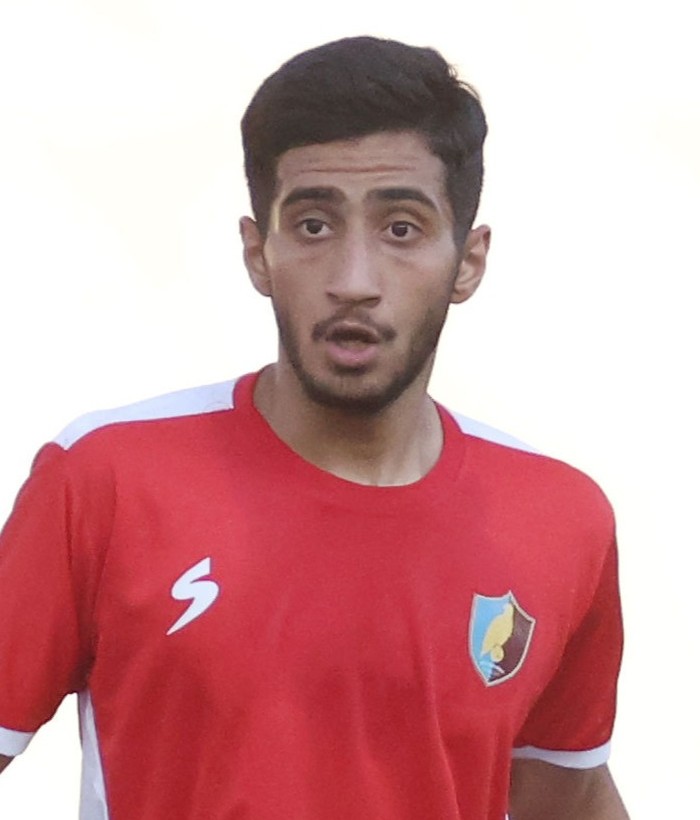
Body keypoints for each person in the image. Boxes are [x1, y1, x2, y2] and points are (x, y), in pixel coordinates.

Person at [0, 36, 627, 819]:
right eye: (313, 226)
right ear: (257, 253)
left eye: (401, 228)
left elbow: (568, 797)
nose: (353, 281)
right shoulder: (105, 480)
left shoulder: (561, 519)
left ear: (467, 261)